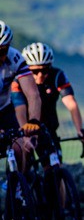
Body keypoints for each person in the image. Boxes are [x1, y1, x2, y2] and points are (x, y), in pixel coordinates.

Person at [13, 42, 84, 167]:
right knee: (24, 166)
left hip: (47, 129)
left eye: (45, 70)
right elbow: (19, 110)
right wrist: (25, 134)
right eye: (35, 71)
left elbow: (71, 103)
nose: (40, 75)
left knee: (55, 167)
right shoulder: (18, 81)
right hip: (25, 128)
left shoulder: (57, 76)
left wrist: (79, 129)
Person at [0, 21, 42, 169]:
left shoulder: (15, 58)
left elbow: (33, 95)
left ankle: (19, 182)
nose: (1, 56)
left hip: (5, 110)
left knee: (19, 149)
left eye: (4, 50)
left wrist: (34, 121)